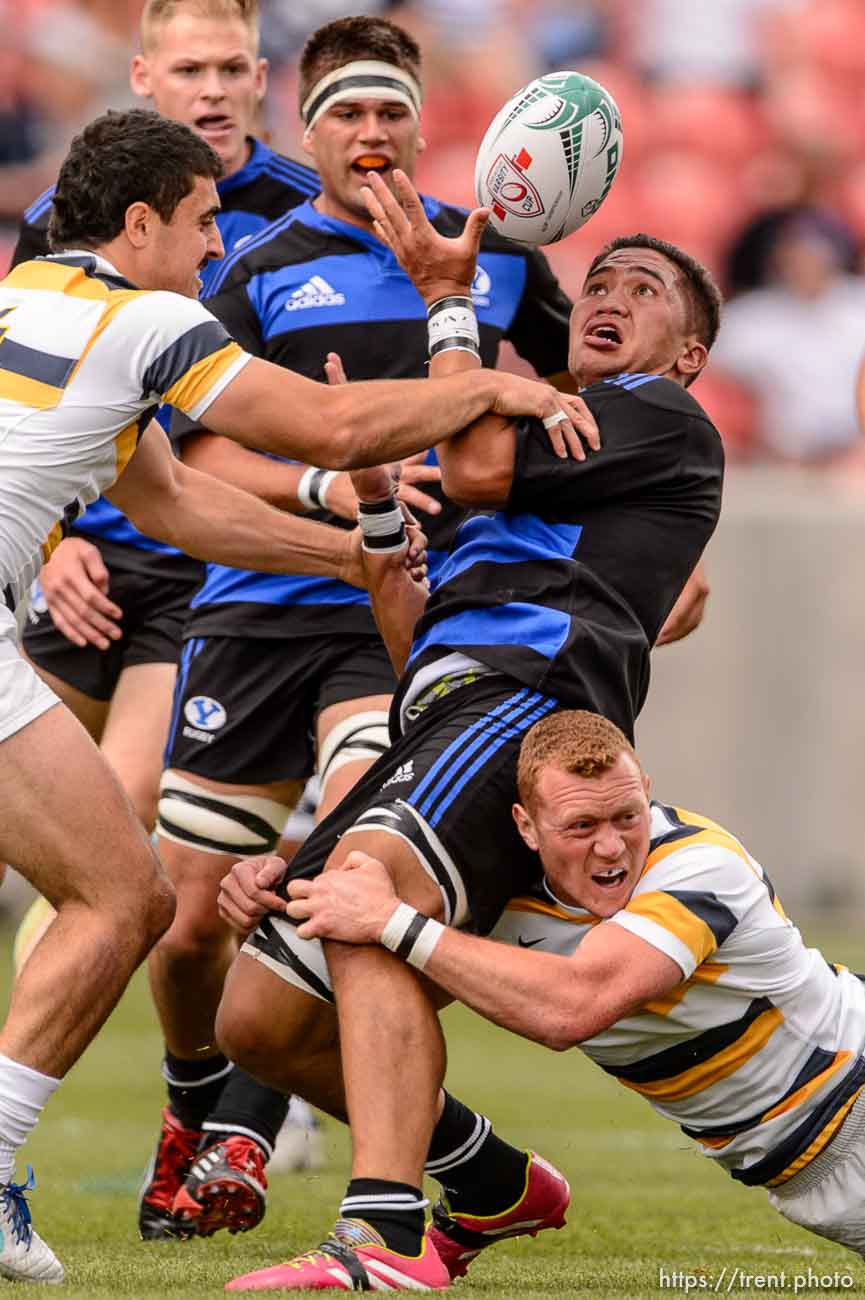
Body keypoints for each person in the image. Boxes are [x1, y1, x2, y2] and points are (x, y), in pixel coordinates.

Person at [0, 107, 586, 1284]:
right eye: (205, 223)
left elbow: (168, 504)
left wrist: (348, 560)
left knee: (126, 892)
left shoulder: (28, 295)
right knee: (122, 899)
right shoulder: (150, 315)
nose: (217, 250)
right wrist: (492, 393)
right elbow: (329, 420)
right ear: (139, 222)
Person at [212, 174, 725, 1292]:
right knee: (256, 1017)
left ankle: (384, 1238)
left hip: (528, 710)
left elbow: (480, 462)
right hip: (444, 708)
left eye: (643, 289)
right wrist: (378, 501)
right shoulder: (538, 423)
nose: (610, 295)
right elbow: (415, 630)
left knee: (364, 891)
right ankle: (487, 1177)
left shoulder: (659, 413)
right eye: (598, 280)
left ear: (685, 353)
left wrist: (452, 309)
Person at [142, 12, 588, 1242]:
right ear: (310, 126)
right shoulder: (257, 262)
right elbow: (198, 437)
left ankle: (255, 1132)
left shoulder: (495, 259)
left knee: (349, 854)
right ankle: (230, 1108)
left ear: (423, 119)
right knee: (181, 925)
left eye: (392, 109)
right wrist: (326, 481)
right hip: (254, 607)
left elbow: (572, 405)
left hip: (394, 617)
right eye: (347, 110)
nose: (373, 132)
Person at [281, 707, 865, 1274]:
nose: (611, 847)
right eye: (582, 826)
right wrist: (282, 889)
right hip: (811, 1162)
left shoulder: (701, 866)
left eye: (627, 817)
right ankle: (489, 1186)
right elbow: (368, 987)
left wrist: (391, 920)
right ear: (526, 826)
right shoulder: (495, 894)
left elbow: (572, 1007)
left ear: (647, 791)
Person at [10, 0, 320, 963]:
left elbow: (308, 421)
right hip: (82, 562)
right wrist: (55, 549)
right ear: (145, 79)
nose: (214, 91)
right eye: (190, 71)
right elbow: (33, 407)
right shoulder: (55, 227)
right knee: (98, 873)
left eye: (232, 68)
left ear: (264, 79)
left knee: (127, 836)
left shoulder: (312, 211)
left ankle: (233, 1096)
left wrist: (333, 523)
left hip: (207, 574)